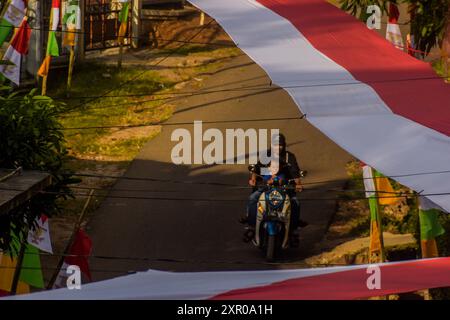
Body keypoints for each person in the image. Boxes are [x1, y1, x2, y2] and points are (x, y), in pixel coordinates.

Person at [242, 134, 307, 242]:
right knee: (253, 198)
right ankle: (251, 223)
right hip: (266, 188)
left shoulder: (289, 157)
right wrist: (253, 180)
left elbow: (295, 173)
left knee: (295, 202)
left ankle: (293, 227)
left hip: (285, 188)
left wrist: (298, 184)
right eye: (276, 145)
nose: (278, 147)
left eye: (280, 145)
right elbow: (256, 169)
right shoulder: (266, 155)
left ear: (284, 145)